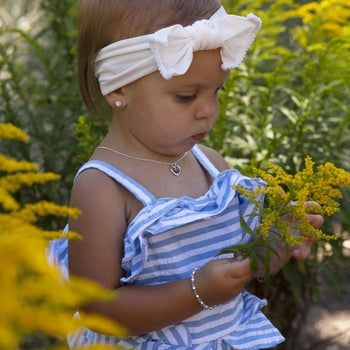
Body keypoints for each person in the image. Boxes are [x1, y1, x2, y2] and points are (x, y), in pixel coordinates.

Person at [49, 0, 324, 349]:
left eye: (217, 91)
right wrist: (197, 291)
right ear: (118, 90)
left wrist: (274, 244)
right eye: (186, 96)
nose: (209, 110)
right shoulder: (103, 187)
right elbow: (96, 307)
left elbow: (237, 265)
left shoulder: (211, 165)